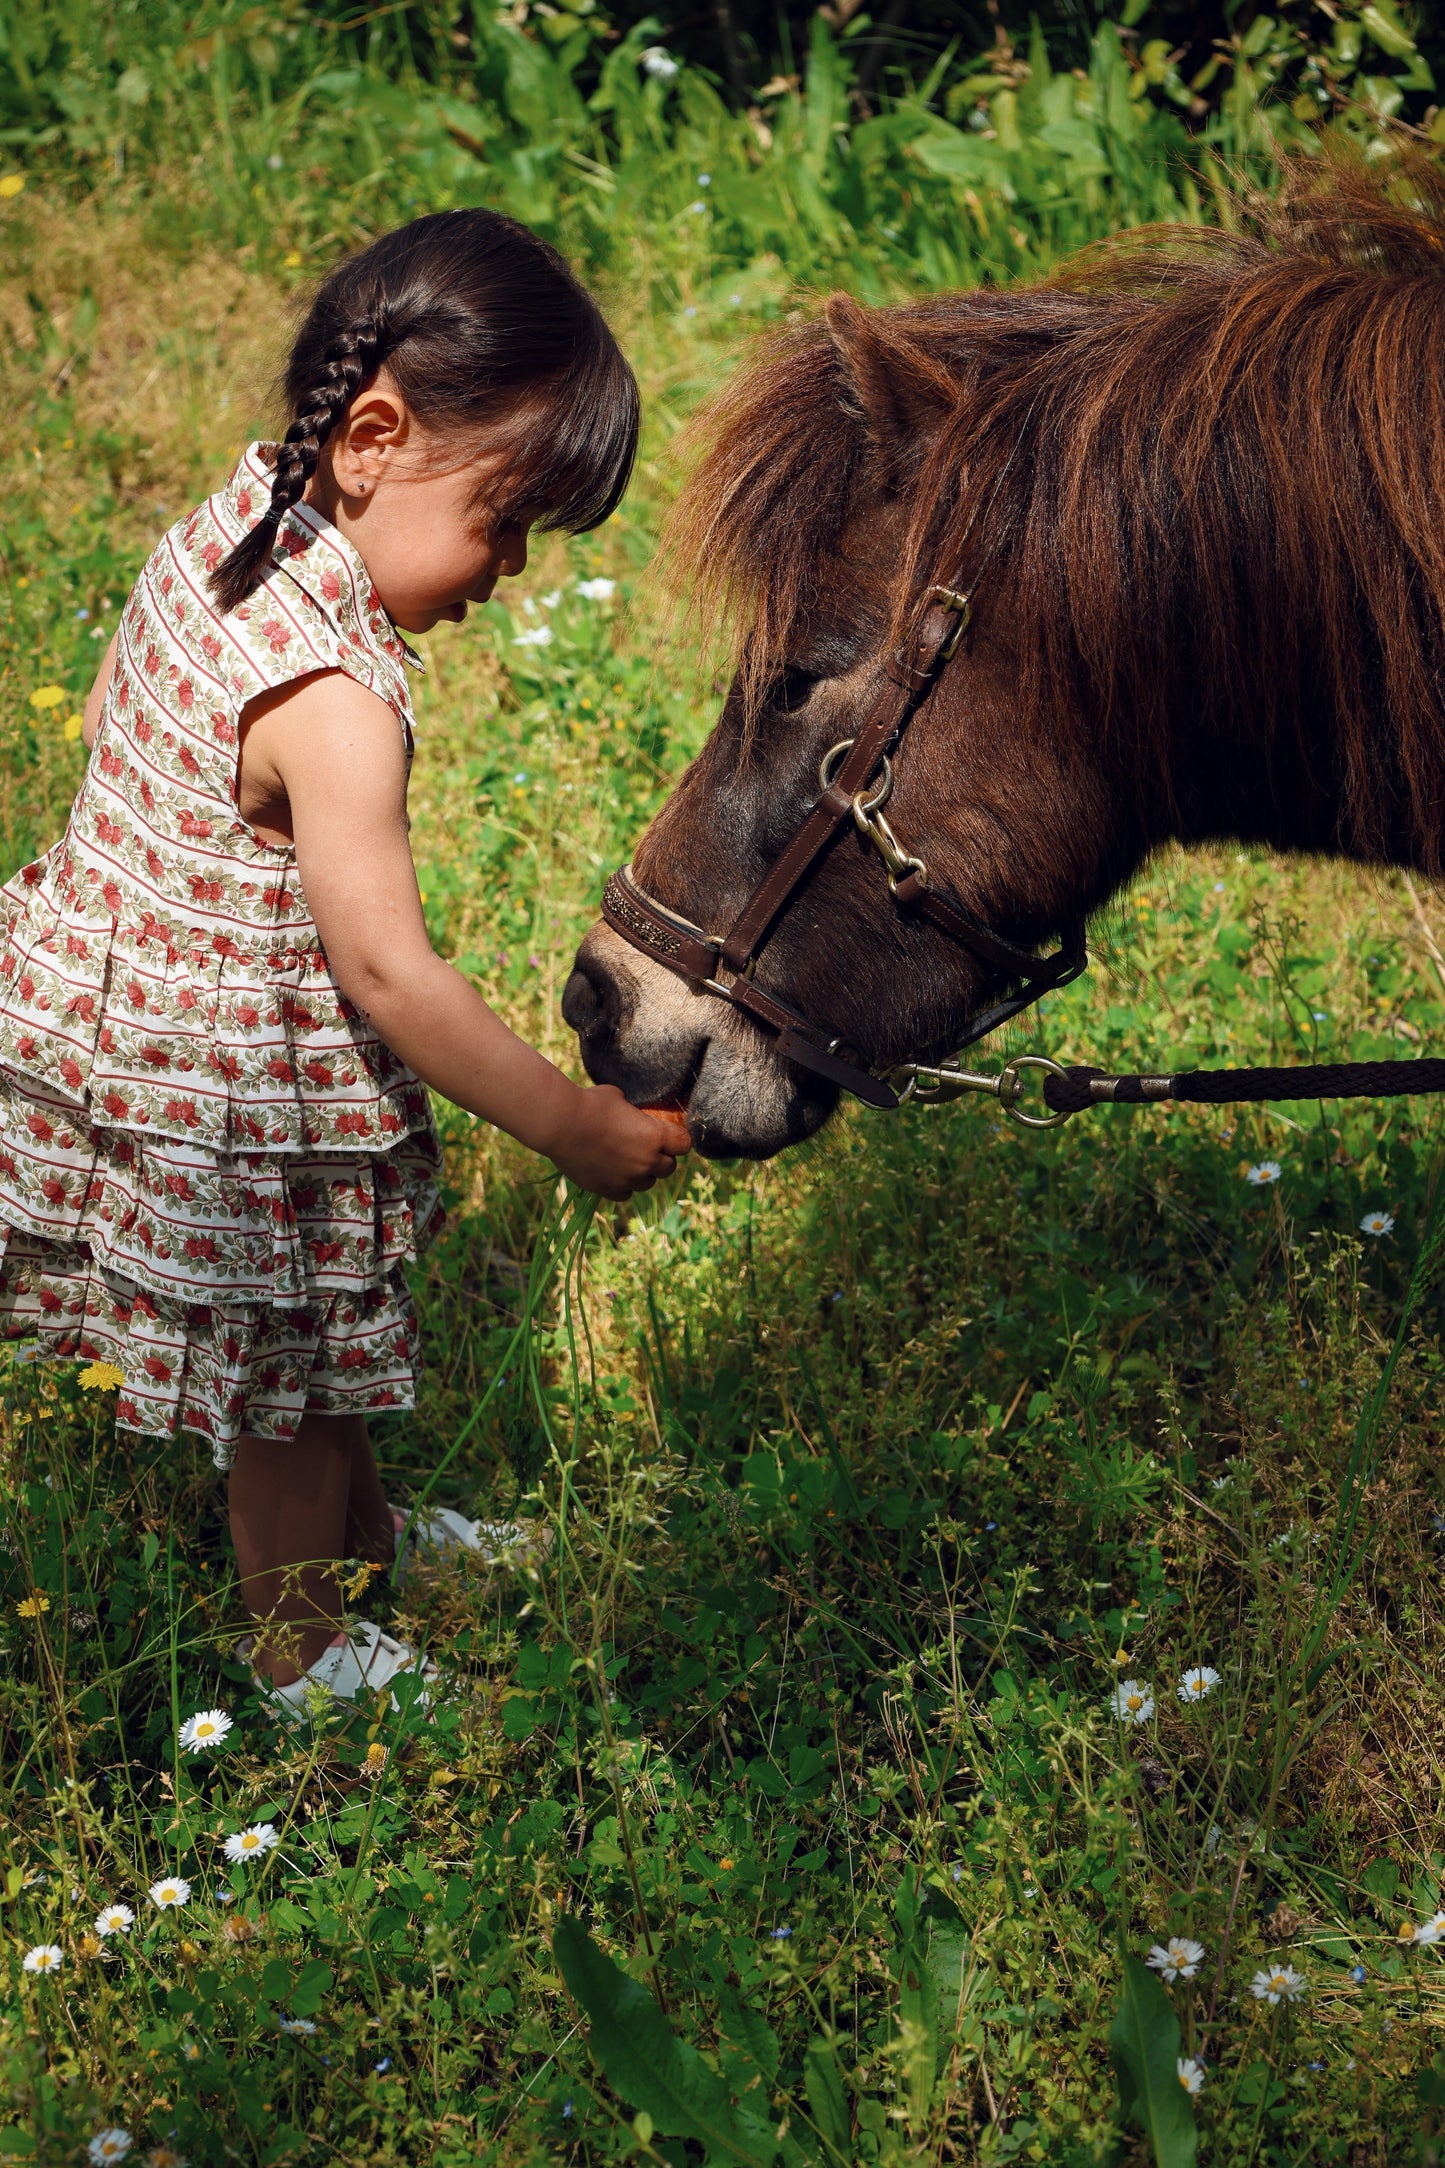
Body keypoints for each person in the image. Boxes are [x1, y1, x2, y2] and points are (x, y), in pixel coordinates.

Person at [0, 208, 689, 1716]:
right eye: (505, 519)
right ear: (373, 437)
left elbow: (123, 699)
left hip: (127, 1008)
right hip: (229, 1100)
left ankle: (369, 1552)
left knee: (312, 1347)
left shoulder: (241, 509)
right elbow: (388, 973)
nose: (508, 566)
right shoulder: (337, 693)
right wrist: (571, 1128)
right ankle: (310, 1659)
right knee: (286, 1399)